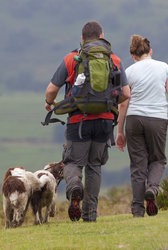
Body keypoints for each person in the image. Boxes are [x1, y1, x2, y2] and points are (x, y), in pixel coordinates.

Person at [44, 21, 131, 222]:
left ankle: (74, 188)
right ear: (102, 36)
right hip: (104, 122)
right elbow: (126, 94)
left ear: (82, 39)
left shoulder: (71, 58)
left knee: (72, 161)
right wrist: (107, 102)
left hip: (78, 120)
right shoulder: (114, 59)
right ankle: (90, 214)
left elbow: (51, 90)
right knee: (95, 166)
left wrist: (50, 103)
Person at [115, 35, 168, 217]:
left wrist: (120, 131)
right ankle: (151, 188)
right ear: (150, 51)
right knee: (158, 160)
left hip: (134, 119)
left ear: (133, 55)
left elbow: (123, 104)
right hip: (158, 119)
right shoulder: (164, 67)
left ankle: (137, 210)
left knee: (138, 165)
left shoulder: (128, 71)